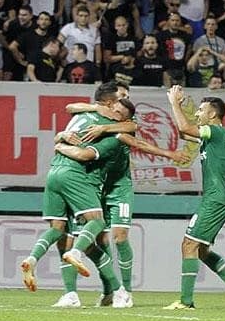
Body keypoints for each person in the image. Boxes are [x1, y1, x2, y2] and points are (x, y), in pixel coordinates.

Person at [70, 87, 192, 306]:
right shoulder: (93, 115)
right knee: (98, 241)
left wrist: (170, 154)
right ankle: (109, 289)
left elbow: (136, 137)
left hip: (120, 187)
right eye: (121, 98)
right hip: (96, 185)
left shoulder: (123, 122)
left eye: (126, 97)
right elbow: (70, 107)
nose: (126, 101)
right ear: (109, 103)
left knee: (120, 236)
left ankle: (125, 290)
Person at [21, 84, 127, 308]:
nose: (120, 105)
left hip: (54, 172)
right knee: (96, 228)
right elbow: (85, 154)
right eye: (119, 100)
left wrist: (60, 142)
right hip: (79, 179)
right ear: (108, 104)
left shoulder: (82, 115)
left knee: (60, 233)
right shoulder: (112, 129)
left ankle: (36, 261)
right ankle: (116, 290)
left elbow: (70, 110)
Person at [162, 85, 225, 311]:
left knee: (188, 244)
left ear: (213, 114)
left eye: (201, 110)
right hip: (216, 198)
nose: (198, 113)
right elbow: (184, 132)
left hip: (216, 199)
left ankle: (186, 301)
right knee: (201, 250)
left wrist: (174, 103)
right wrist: (180, 108)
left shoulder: (216, 131)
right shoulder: (214, 136)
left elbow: (185, 127)